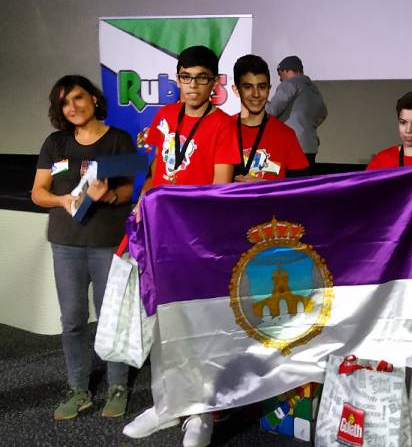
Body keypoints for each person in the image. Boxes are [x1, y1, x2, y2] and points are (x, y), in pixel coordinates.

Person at [123, 46, 240, 447]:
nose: (193, 85)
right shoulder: (164, 116)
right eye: (186, 77)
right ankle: (166, 405)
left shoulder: (224, 125)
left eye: (202, 78)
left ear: (214, 83)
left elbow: (221, 189)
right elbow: (157, 171)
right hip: (161, 234)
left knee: (199, 325)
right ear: (177, 78)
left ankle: (200, 414)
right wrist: (143, 201)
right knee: (163, 323)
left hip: (197, 238)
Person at [31, 75, 135, 420]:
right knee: (73, 320)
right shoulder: (55, 143)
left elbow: (132, 191)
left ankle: (118, 385)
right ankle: (79, 389)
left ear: (93, 99)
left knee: (111, 317)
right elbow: (38, 192)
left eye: (78, 98)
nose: (72, 107)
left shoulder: (118, 140)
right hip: (66, 244)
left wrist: (109, 196)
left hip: (107, 243)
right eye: (64, 102)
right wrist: (63, 200)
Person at [230, 54, 309, 180]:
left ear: (269, 89)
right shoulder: (224, 130)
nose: (256, 94)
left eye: (262, 87)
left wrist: (265, 187)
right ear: (236, 90)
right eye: (248, 87)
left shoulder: (286, 135)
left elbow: (301, 189)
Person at [267, 55, 327, 168]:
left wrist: (260, 100)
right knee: (304, 184)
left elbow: (271, 111)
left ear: (286, 70)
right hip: (310, 146)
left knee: (287, 184)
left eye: (280, 74)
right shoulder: (313, 89)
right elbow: (323, 115)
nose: (280, 79)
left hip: (291, 146)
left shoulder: (289, 84)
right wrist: (306, 125)